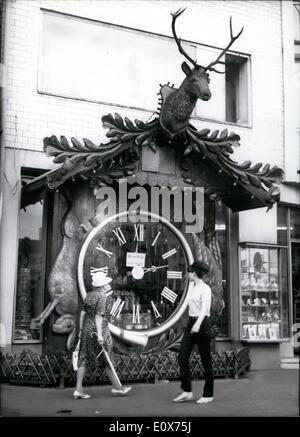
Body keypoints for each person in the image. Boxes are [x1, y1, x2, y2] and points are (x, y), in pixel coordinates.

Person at [74, 271, 131, 399]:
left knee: (83, 357)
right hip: (100, 330)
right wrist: (100, 335)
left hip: (87, 329)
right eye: (106, 284)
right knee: (107, 357)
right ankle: (118, 388)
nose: (107, 285)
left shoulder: (89, 295)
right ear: (101, 286)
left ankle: (78, 389)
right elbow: (99, 317)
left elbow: (83, 313)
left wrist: (81, 330)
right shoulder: (102, 297)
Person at [172, 260, 214, 404]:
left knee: (206, 360)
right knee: (182, 356)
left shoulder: (205, 289)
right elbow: (187, 304)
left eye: (189, 272)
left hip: (202, 324)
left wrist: (197, 324)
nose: (188, 274)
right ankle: (187, 391)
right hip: (192, 323)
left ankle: (208, 395)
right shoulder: (191, 287)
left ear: (195, 273)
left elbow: (204, 309)